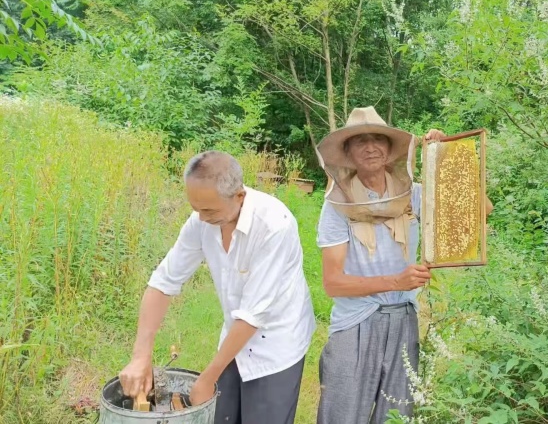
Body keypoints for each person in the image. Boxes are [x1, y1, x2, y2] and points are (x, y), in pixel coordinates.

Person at [314, 107, 493, 423]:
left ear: (389, 148)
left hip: (403, 319)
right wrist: (396, 281)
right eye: (360, 141)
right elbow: (333, 283)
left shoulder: (414, 195)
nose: (371, 147)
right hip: (355, 321)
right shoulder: (336, 207)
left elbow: (482, 210)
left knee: (396, 413)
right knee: (341, 414)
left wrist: (443, 158)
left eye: (378, 139)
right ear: (348, 154)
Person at [119, 151, 316, 424]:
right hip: (234, 335)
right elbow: (163, 283)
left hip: (277, 342)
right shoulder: (202, 220)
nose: (200, 218)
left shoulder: (275, 226)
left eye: (209, 210)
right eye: (196, 208)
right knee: (224, 416)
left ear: (239, 196)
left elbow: (253, 315)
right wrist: (141, 356)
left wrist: (207, 378)